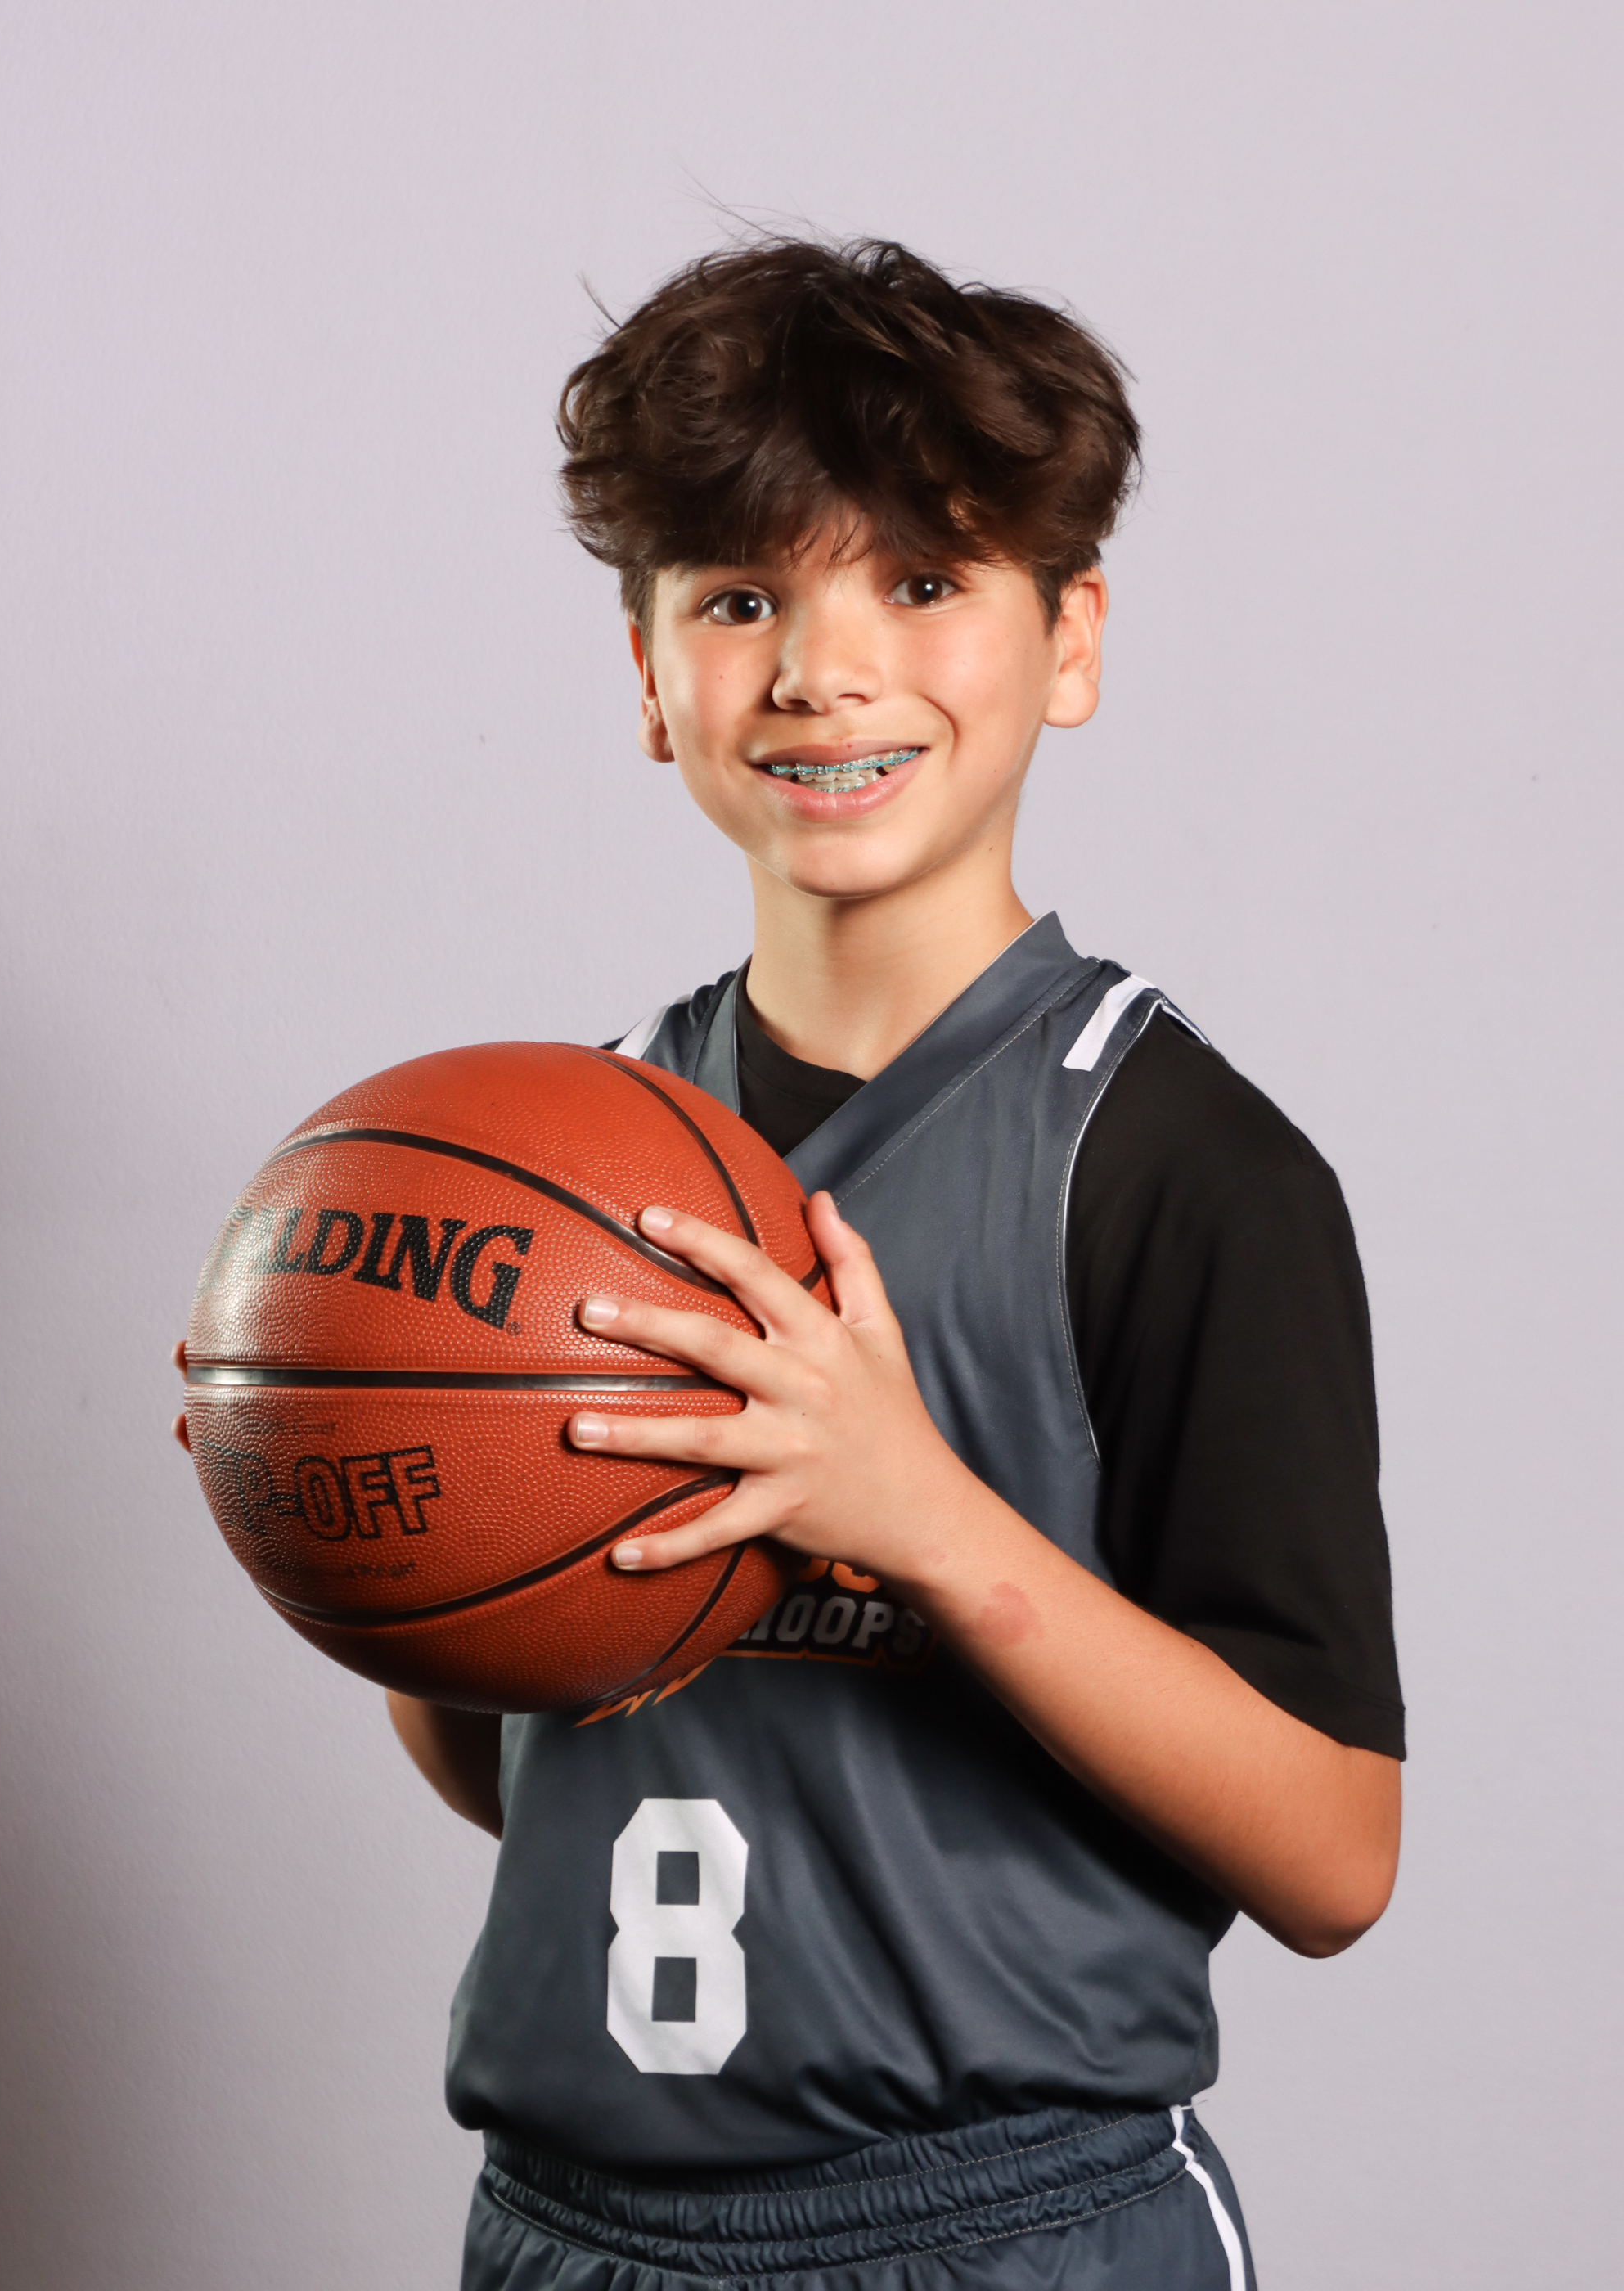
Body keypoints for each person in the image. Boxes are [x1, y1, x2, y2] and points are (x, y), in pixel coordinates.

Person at [388, 237, 1404, 2291]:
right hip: (570, 2223)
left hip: (996, 2226)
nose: (821, 670)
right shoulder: (558, 1156)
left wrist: (920, 1514)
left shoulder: (1176, 1166)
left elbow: (1330, 1855)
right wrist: (375, 1519)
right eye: (737, 597)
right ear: (646, 671)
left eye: (923, 583)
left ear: (1068, 639)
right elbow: (533, 1767)